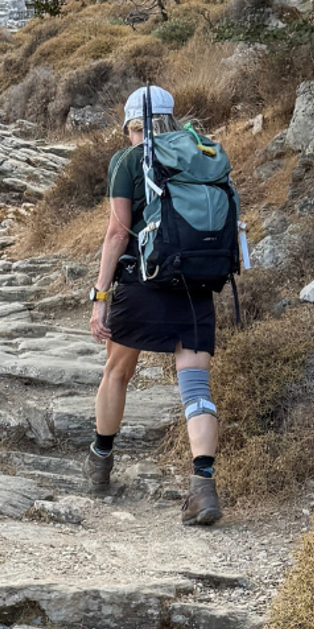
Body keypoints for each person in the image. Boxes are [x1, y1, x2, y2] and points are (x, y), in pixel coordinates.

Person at [87, 85, 226, 525]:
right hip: (196, 284)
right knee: (196, 389)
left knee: (117, 372)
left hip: (142, 283)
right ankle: (203, 487)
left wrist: (100, 298)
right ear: (171, 118)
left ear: (132, 125)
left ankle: (100, 463)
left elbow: (116, 234)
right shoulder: (203, 153)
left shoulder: (128, 160)